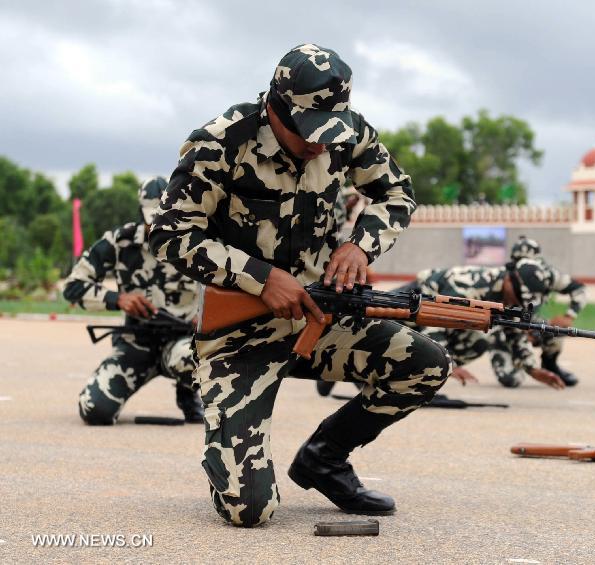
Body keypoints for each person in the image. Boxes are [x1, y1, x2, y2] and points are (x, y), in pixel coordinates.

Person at [149, 43, 450, 527]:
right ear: (276, 104)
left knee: (425, 364)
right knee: (249, 512)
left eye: (330, 133)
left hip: (319, 317)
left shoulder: (343, 131)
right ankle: (232, 452)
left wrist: (360, 246)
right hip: (239, 337)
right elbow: (170, 234)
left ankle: (324, 458)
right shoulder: (222, 141)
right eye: (309, 132)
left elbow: (395, 191)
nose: (320, 145)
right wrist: (262, 278)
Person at [63, 176, 203, 425]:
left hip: (183, 341)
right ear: (141, 212)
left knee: (194, 360)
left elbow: (224, 286)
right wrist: (118, 299)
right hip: (135, 344)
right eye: (153, 220)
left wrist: (205, 318)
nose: (158, 227)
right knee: (95, 411)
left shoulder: (196, 240)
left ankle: (188, 391)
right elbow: (73, 287)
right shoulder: (119, 241)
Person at [403, 258, 566, 390]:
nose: (518, 301)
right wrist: (448, 363)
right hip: (408, 306)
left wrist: (533, 369)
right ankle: (411, 373)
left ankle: (417, 374)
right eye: (519, 296)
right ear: (509, 280)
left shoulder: (510, 297)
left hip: (433, 318)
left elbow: (514, 332)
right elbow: (433, 324)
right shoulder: (471, 287)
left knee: (477, 342)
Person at [487, 236, 587, 387]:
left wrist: (570, 315)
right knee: (512, 380)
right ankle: (514, 361)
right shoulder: (501, 279)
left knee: (554, 330)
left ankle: (550, 364)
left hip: (531, 322)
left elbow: (579, 288)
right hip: (504, 328)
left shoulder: (547, 275)